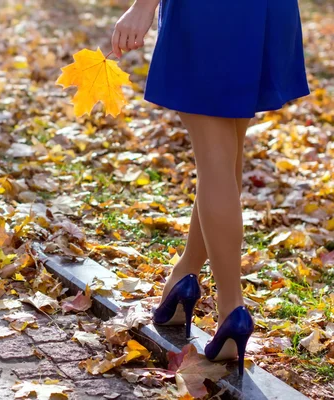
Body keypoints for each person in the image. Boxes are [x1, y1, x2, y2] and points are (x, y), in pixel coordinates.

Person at [111, 0, 310, 375]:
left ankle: (232, 309)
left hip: (209, 13)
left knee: (216, 158)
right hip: (269, 11)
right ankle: (184, 277)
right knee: (226, 154)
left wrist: (142, 6)